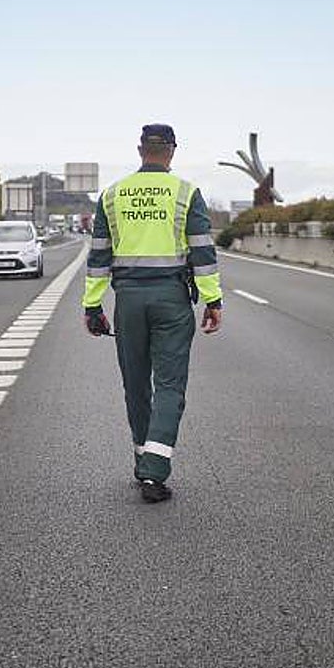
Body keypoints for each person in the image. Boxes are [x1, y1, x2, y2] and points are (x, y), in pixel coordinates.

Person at [82, 123, 222, 503]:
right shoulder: (186, 193)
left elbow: (98, 256)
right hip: (171, 299)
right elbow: (202, 252)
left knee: (136, 383)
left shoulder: (112, 195)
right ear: (172, 151)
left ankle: (143, 458)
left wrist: (92, 306)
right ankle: (154, 473)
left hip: (128, 299)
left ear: (140, 149)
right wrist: (213, 300)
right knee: (170, 385)